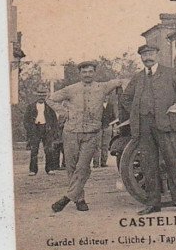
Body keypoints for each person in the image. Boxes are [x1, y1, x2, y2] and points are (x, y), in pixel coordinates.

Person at [121, 45, 176, 215]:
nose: (148, 57)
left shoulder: (170, 73)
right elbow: (125, 98)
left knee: (172, 161)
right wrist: (136, 111)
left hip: (165, 122)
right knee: (148, 164)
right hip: (144, 125)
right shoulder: (138, 77)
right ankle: (153, 203)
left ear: (157, 55)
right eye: (144, 54)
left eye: (150, 54)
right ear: (141, 58)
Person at [47, 61, 123, 212]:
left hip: (91, 134)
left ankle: (66, 198)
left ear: (94, 73)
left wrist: (124, 84)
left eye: (90, 71)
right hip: (71, 133)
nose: (87, 74)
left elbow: (120, 81)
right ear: (80, 74)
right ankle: (79, 199)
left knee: (83, 168)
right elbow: (50, 99)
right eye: (84, 72)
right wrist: (63, 112)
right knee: (72, 168)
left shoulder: (102, 87)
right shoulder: (71, 89)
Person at [23, 84, 58, 175]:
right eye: (39, 95)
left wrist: (52, 130)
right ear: (36, 96)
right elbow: (25, 120)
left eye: (43, 95)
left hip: (47, 129)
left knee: (49, 150)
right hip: (35, 129)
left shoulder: (50, 107)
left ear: (45, 96)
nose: (41, 97)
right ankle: (33, 170)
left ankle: (50, 169)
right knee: (34, 150)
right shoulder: (30, 107)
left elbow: (54, 120)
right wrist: (30, 129)